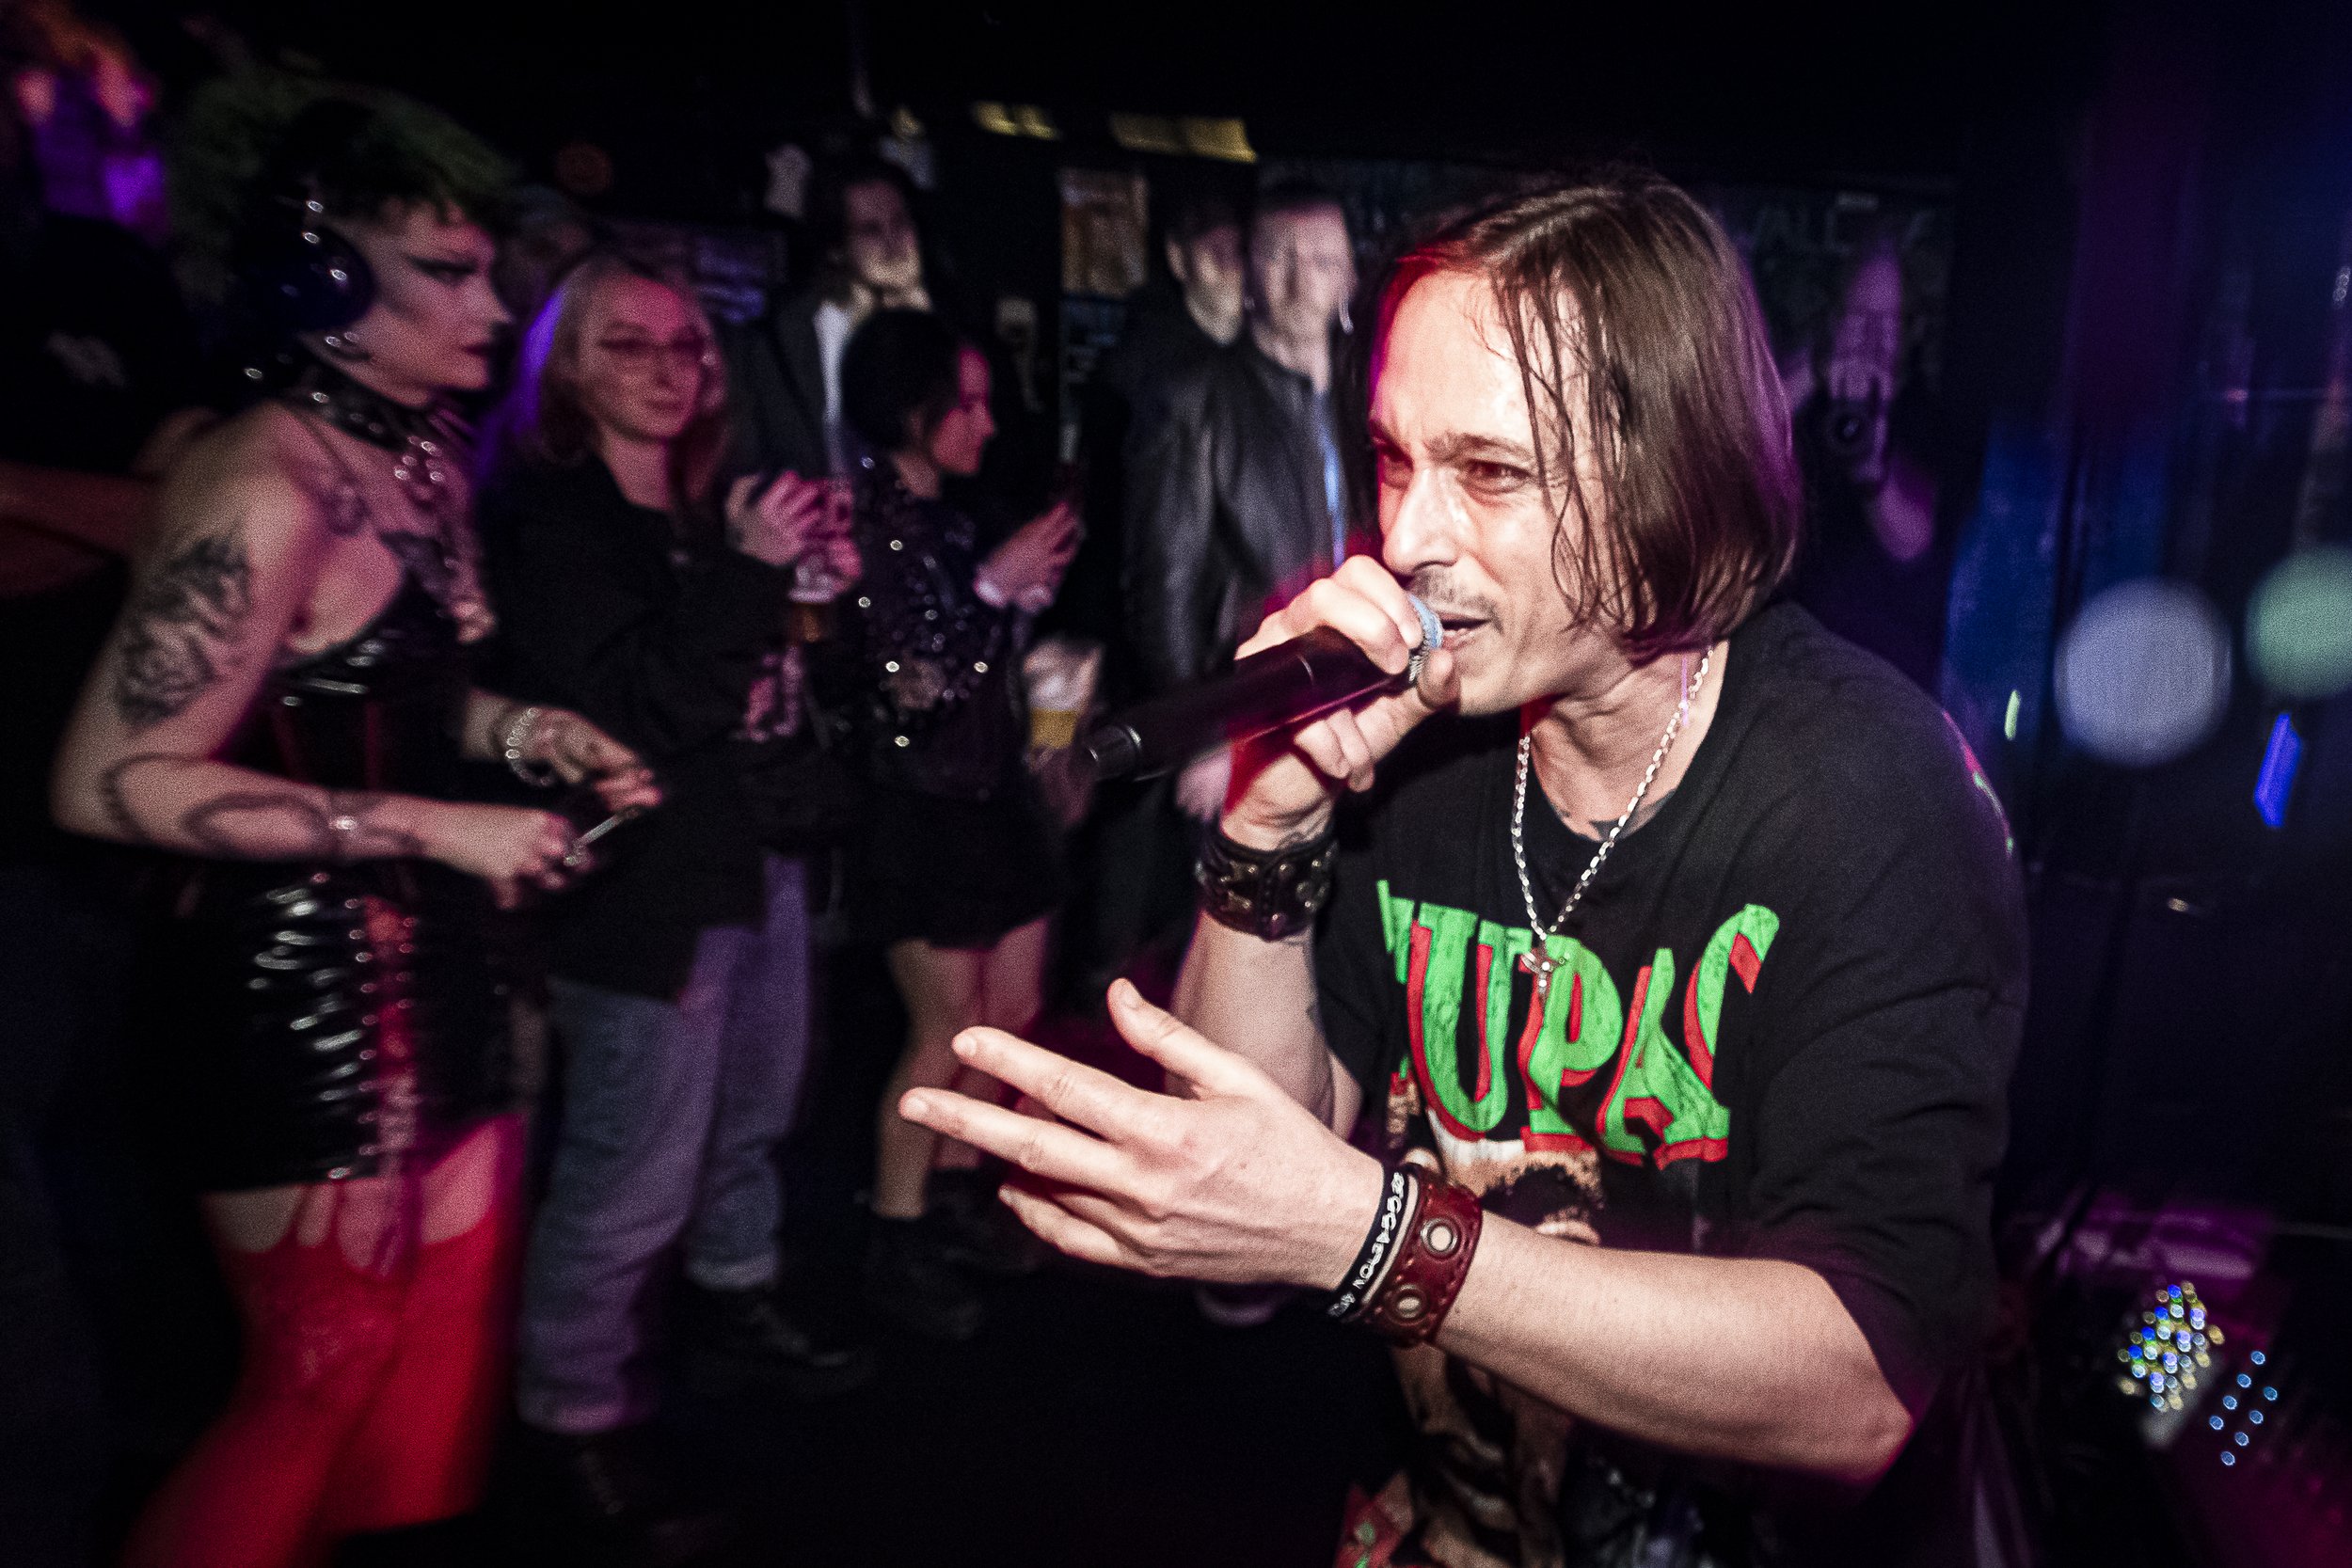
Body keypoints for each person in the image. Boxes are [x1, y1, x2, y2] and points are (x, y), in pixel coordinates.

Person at [900, 173, 2026, 1568]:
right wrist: (1272, 818)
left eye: (1488, 472)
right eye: (1392, 459)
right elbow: (1273, 1169)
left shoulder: (1870, 792)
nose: (1410, 537)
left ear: (1668, 470)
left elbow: (1859, 1384)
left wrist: (1371, 1236)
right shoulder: (1429, 759)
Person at [47, 87, 656, 1568]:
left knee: (442, 1362)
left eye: (480, 262)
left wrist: (522, 732)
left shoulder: (423, 455)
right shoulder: (263, 475)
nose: (490, 299)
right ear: (320, 283)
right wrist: (439, 825)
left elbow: (392, 679)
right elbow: (112, 773)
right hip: (284, 997)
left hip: (438, 966)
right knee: (315, 1375)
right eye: (442, 271)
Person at [477, 251, 870, 1559]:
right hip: (637, 893)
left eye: (687, 348)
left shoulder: (702, 514)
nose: (668, 371)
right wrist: (759, 578)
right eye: (628, 346)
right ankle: (570, 1416)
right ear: (566, 365)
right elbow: (639, 709)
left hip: (745, 859)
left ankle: (733, 1302)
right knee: (629, 1167)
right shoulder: (552, 520)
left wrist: (806, 596)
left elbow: (752, 697)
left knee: (754, 1115)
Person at [0, 40, 205, 1565]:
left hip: (114, 836)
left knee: (113, 1175)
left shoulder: (104, 280)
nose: (76, 106)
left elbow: (185, 521)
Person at [841, 309, 1079, 1340]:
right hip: (920, 808)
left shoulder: (953, 510)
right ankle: (891, 1233)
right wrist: (996, 588)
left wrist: (1019, 609)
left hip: (991, 796)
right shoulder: (870, 514)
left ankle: (950, 1196)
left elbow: (974, 660)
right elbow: (913, 685)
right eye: (966, 401)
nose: (986, 422)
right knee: (942, 1027)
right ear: (911, 407)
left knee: (1011, 1010)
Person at [1124, 178, 1360, 825]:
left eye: (1320, 261)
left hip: (1360, 698)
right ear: (1249, 273)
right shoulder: (1194, 400)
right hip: (1253, 711)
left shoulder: (1368, 395)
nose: (1299, 280)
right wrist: (1201, 735)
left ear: (1348, 277)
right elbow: (1164, 589)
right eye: (1279, 257)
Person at [725, 155, 930, 482]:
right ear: (837, 247)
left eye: (901, 222)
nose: (894, 244)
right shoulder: (780, 340)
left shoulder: (943, 327)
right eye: (871, 230)